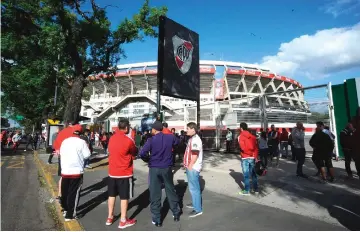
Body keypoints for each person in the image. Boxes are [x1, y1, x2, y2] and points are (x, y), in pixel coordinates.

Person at [139, 121, 181, 227]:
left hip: (154, 168)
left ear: (154, 129)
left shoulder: (151, 140)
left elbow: (142, 153)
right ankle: (176, 213)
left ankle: (157, 219)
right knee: (170, 189)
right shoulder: (170, 137)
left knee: (155, 193)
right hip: (166, 167)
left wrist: (148, 160)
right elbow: (179, 144)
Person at [106, 118, 137, 229]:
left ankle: (110, 217)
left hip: (112, 172)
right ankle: (123, 220)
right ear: (127, 127)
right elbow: (134, 152)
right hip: (124, 173)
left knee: (111, 195)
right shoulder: (128, 141)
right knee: (124, 197)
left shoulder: (112, 138)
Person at [60, 129, 91, 221]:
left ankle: (65, 209)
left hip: (65, 170)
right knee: (74, 193)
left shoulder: (65, 141)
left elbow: (61, 153)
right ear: (80, 135)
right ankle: (70, 214)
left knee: (64, 191)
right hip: (76, 171)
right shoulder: (82, 142)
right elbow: (87, 155)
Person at [183, 122, 203, 218]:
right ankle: (195, 203)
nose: (186, 130)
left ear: (193, 130)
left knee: (194, 188)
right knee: (192, 188)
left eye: (188, 128)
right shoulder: (192, 138)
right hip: (191, 166)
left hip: (193, 167)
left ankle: (197, 209)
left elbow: (195, 154)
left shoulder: (196, 140)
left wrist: (190, 165)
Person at [238, 122, 259, 195]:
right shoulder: (253, 137)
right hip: (252, 157)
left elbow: (242, 148)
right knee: (253, 174)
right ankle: (256, 189)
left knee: (246, 175)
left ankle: (247, 190)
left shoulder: (240, 136)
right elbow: (256, 148)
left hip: (245, 157)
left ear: (241, 128)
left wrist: (248, 153)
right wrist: (255, 156)